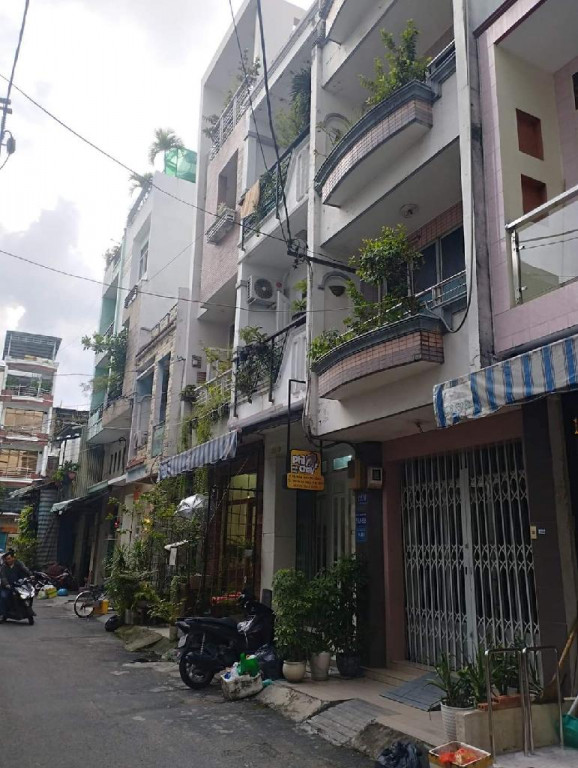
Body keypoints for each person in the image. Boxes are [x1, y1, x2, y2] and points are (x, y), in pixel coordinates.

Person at [0, 549, 31, 621]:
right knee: (3, 597)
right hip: (7, 587)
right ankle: (2, 614)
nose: (8, 560)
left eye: (9, 558)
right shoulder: (3, 567)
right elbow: (3, 577)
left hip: (19, 586)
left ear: (13, 558)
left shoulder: (19, 564)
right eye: (6, 559)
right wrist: (6, 584)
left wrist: (31, 575)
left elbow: (25, 570)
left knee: (27, 595)